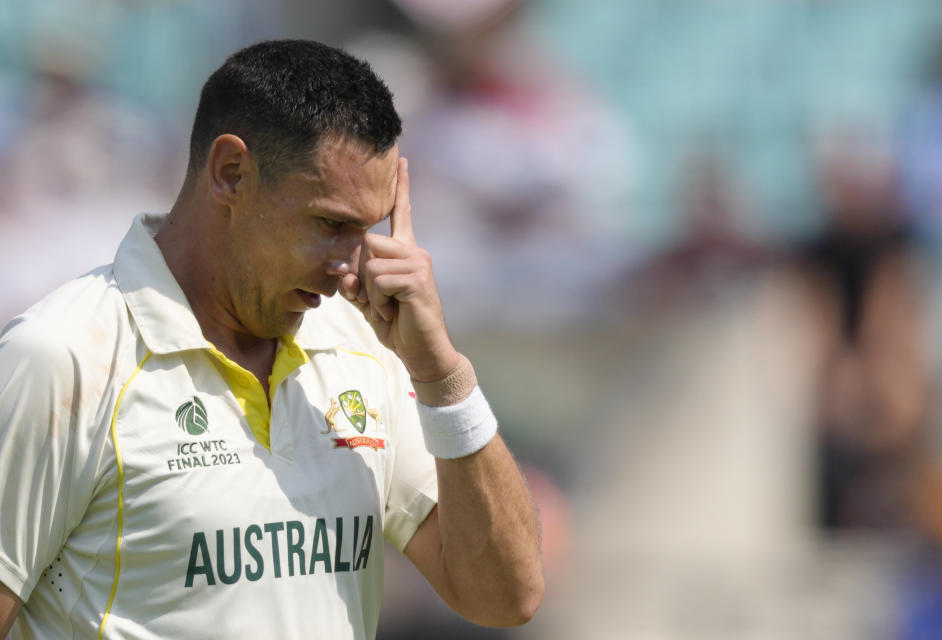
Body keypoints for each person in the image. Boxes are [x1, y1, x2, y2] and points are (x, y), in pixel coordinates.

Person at [0, 40, 543, 638]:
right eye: (331, 224)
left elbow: (505, 595)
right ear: (230, 173)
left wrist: (441, 373)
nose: (351, 266)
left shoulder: (365, 349)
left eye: (368, 229)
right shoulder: (61, 357)